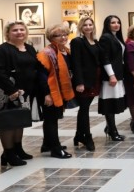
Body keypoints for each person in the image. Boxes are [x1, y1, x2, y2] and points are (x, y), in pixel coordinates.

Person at [0, 21, 38, 167]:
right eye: (15, 30)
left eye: (22, 29)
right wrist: (12, 90)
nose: (19, 32)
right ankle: (8, 153)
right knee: (8, 123)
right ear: (8, 33)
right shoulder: (1, 50)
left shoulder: (29, 48)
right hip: (8, 93)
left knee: (19, 120)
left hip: (25, 92)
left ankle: (18, 149)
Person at [36, 24, 74, 159]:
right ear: (51, 37)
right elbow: (42, 76)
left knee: (52, 118)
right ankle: (56, 149)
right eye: (59, 35)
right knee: (51, 119)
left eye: (65, 34)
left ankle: (47, 144)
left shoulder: (65, 51)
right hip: (50, 91)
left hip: (59, 89)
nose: (63, 37)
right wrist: (47, 94)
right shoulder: (46, 53)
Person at [69, 17, 100, 151]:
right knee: (84, 109)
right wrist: (79, 82)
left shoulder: (95, 42)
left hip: (95, 79)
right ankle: (87, 136)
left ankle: (78, 135)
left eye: (90, 24)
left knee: (84, 108)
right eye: (85, 25)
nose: (88, 27)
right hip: (84, 81)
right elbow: (76, 63)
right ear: (81, 27)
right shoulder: (77, 41)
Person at [99, 15, 127, 142]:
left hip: (118, 74)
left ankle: (110, 127)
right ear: (107, 25)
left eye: (118, 22)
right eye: (113, 23)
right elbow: (105, 58)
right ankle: (112, 131)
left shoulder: (116, 37)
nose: (116, 24)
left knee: (114, 103)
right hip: (111, 76)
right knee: (109, 104)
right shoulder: (106, 37)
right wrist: (111, 75)